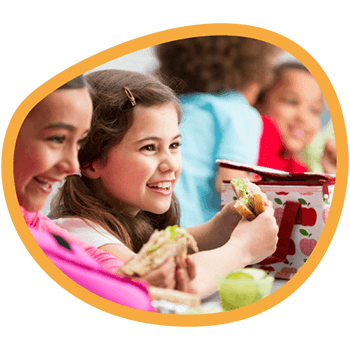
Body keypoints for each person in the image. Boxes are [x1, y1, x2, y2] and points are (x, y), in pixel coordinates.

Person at [52, 69, 279, 299]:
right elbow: (171, 290)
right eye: (149, 147)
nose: (170, 164)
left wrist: (220, 228)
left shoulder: (125, 223)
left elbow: (154, 254)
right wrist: (242, 249)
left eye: (174, 145)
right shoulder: (80, 234)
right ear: (92, 163)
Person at [14, 76, 155, 310]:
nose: (72, 165)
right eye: (58, 139)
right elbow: (135, 303)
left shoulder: (30, 218)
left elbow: (91, 258)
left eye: (79, 142)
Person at [155, 36, 281, 227]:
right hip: (192, 227)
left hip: (154, 215)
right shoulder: (239, 112)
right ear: (253, 73)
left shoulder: (174, 106)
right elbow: (230, 180)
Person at [255, 62, 325, 172]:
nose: (303, 117)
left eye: (314, 110)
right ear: (257, 101)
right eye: (291, 102)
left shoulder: (299, 170)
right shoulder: (250, 148)